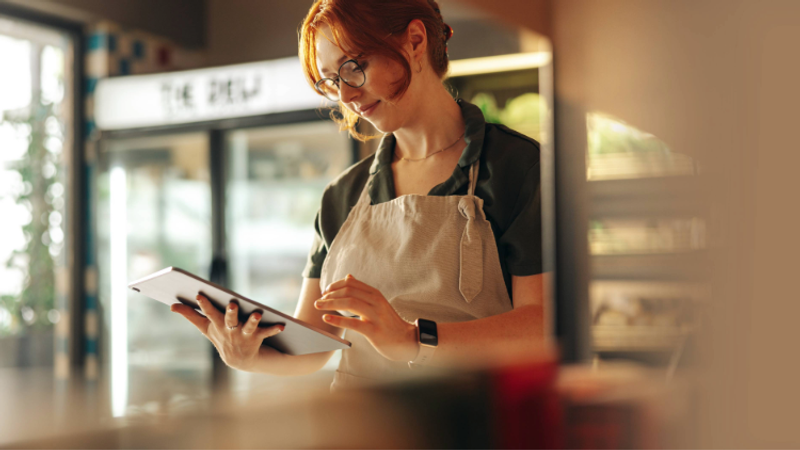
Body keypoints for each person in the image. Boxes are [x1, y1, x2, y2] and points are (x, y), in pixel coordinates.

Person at [171, 0, 548, 391]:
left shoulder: (515, 167)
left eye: (354, 68)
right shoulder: (343, 195)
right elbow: (315, 346)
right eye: (331, 82)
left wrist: (413, 340)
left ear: (415, 42)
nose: (347, 97)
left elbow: (542, 324)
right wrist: (250, 355)